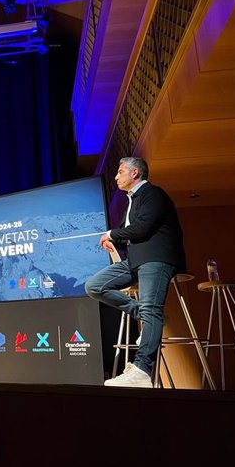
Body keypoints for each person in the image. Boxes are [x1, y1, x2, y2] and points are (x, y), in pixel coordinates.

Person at [85, 157, 185, 388]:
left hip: (156, 259)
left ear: (135, 173)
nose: (116, 176)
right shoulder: (132, 200)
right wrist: (115, 243)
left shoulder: (153, 194)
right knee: (95, 286)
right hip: (135, 261)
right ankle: (145, 315)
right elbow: (131, 234)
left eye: (120, 172)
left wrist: (112, 234)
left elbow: (142, 228)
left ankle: (142, 370)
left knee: (152, 308)